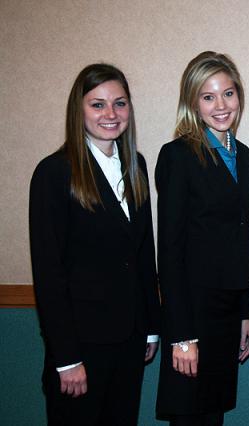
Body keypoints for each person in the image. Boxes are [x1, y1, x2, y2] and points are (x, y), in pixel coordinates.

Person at [29, 63, 161, 425]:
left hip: (130, 339)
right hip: (81, 345)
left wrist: (150, 326)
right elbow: (48, 273)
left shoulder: (137, 165)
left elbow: (143, 254)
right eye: (98, 104)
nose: (110, 114)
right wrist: (67, 358)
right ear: (79, 109)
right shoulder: (54, 172)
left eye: (119, 103)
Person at [155, 51, 249, 426]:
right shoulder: (178, 156)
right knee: (190, 415)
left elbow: (239, 239)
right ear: (193, 102)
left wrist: (246, 311)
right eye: (208, 96)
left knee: (212, 415)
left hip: (227, 313)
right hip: (192, 312)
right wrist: (180, 335)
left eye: (227, 94)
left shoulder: (241, 155)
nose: (220, 105)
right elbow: (170, 249)